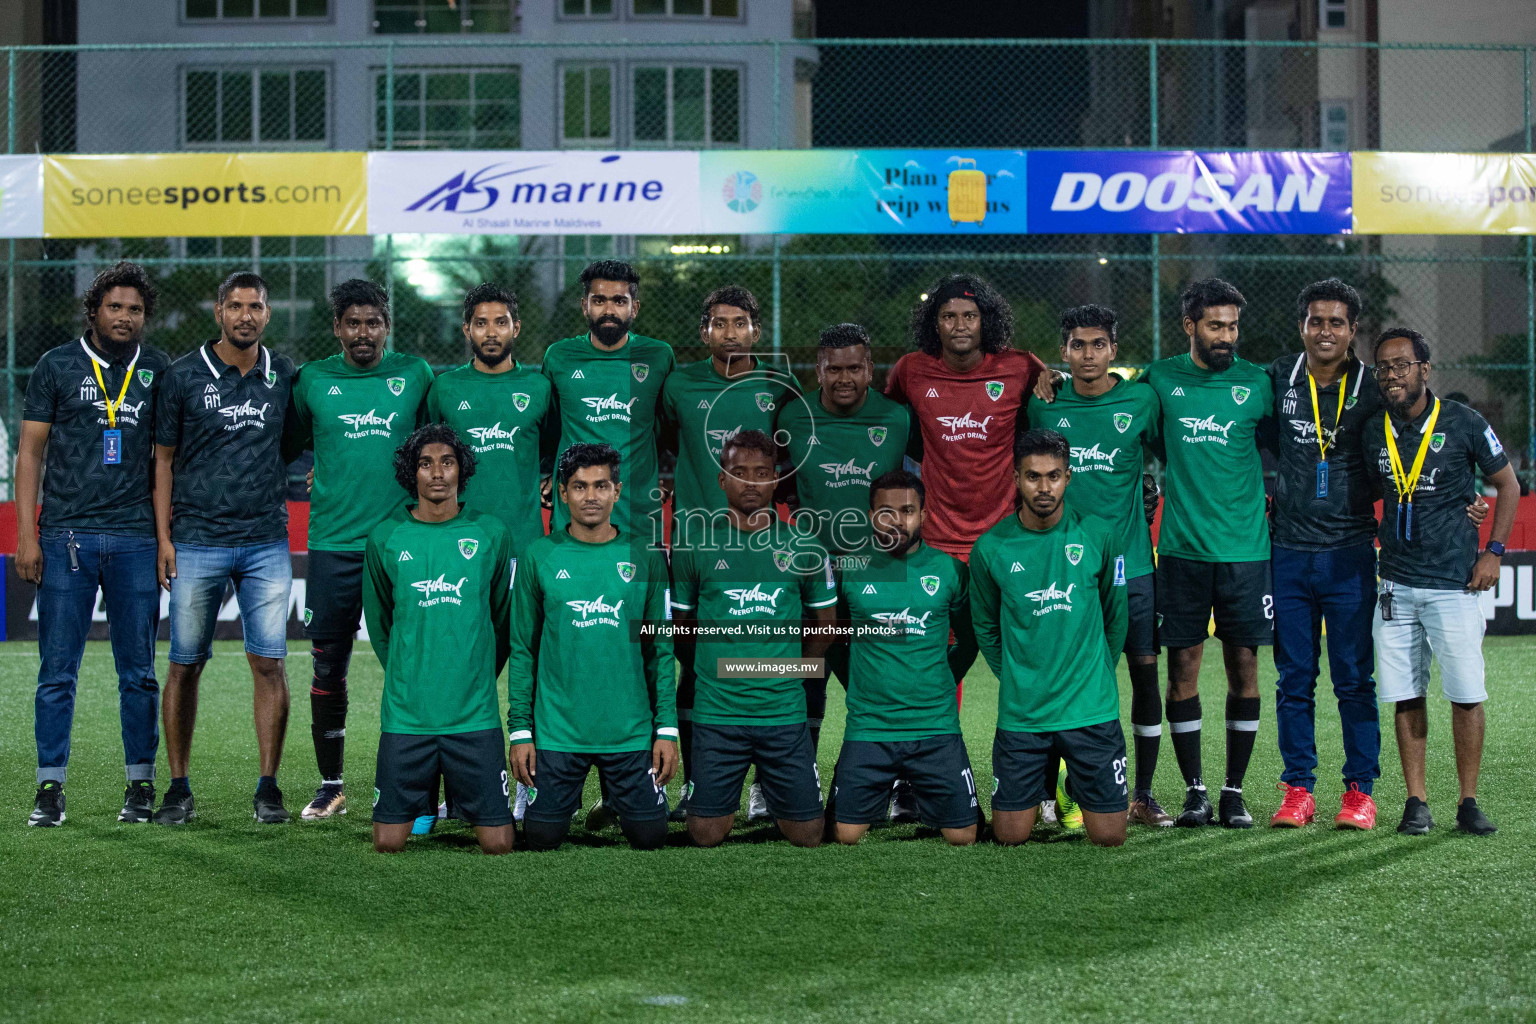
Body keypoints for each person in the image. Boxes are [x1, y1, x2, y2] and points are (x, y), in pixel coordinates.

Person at [18, 262, 170, 827]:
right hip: (65, 538)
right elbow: (29, 452)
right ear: (94, 311)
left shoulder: (159, 370)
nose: (125, 317)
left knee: (139, 672)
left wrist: (163, 540)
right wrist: (27, 535)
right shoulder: (56, 365)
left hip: (134, 538)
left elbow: (166, 461)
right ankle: (50, 788)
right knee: (58, 671)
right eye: (115, 307)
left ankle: (140, 785)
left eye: (134, 309)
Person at [282, 279, 433, 821]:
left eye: (373, 322)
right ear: (337, 328)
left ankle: (417, 783)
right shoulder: (313, 381)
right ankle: (332, 785)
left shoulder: (415, 375)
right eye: (353, 323)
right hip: (333, 546)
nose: (363, 332)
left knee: (415, 667)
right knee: (328, 668)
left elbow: (434, 447)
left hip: (403, 544)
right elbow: (289, 442)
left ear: (385, 326)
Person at [151, 272, 297, 825]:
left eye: (254, 307)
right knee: (185, 665)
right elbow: (162, 461)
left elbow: (293, 447)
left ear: (267, 312)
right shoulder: (183, 375)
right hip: (195, 541)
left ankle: (268, 788)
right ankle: (178, 787)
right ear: (218, 311)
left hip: (265, 542)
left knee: (269, 663)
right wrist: (164, 539)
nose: (245, 316)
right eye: (235, 306)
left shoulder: (284, 375)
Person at [1361, 328, 1518, 837]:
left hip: (1455, 583)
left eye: (1402, 364)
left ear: (1425, 369)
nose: (1392, 375)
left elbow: (1507, 484)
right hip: (1396, 584)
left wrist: (1493, 551)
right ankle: (1416, 801)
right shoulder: (1372, 428)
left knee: (1466, 694)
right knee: (1405, 694)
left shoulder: (1464, 422)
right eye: (1383, 367)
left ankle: (1468, 801)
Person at [1140, 279, 1273, 829]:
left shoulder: (1258, 383)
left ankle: (1233, 791)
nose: (1226, 337)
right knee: (1183, 672)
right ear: (1190, 325)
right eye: (1215, 326)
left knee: (1245, 669)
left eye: (1233, 326)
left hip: (1245, 552)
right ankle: (1195, 791)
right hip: (1182, 551)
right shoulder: (1160, 380)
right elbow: (1136, 436)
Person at [1028, 304, 1168, 826]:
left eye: (1098, 345)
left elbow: (1165, 446)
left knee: (1144, 673)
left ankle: (1144, 794)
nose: (1088, 355)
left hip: (1131, 566)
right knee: (1059, 676)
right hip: (1064, 572)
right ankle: (1049, 793)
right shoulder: (1045, 404)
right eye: (1077, 345)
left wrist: (1149, 491)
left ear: (1113, 349)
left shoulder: (1141, 399)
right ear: (1063, 351)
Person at [659, 286, 796, 821]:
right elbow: (664, 443)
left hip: (764, 545)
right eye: (719, 324)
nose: (730, 332)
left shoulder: (780, 389)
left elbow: (788, 462)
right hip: (695, 544)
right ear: (704, 331)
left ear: (756, 331)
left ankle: (770, 785)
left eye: (740, 323)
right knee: (692, 664)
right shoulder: (678, 385)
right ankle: (701, 784)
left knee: (774, 659)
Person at [670, 430, 839, 848]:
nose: (751, 482)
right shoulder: (695, 544)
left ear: (775, 481)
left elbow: (825, 622)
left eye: (762, 473)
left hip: (782, 711)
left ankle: (779, 792)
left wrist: (791, 671)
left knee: (808, 836)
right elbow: (682, 628)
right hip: (718, 713)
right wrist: (711, 670)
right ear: (722, 480)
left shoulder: (803, 545)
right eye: (739, 472)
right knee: (705, 835)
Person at [776, 322, 917, 819]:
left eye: (854, 368)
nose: (843, 378)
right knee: (802, 679)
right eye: (832, 368)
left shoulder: (899, 418)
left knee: (880, 683)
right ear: (817, 369)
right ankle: (791, 785)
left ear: (870, 367)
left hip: (878, 577)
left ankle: (898, 787)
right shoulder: (792, 417)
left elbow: (938, 471)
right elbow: (767, 486)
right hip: (810, 577)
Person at [507, 443, 677, 851]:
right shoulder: (538, 556)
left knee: (650, 835)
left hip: (629, 732)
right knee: (541, 837)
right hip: (558, 732)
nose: (591, 497)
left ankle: (617, 799)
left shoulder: (646, 557)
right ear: (562, 493)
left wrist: (666, 729)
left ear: (617, 491)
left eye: (601, 486)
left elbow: (660, 650)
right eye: (580, 487)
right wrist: (520, 731)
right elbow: (523, 651)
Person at [970, 429, 1128, 848]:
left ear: (1069, 477)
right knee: (1009, 837)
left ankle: (1068, 778)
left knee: (1110, 837)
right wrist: (1018, 676)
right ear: (1015, 479)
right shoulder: (990, 548)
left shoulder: (1100, 535)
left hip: (1090, 709)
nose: (1044, 487)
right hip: (1024, 714)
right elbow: (985, 626)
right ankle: (1057, 773)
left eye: (1054, 476)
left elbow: (1116, 617)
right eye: (1033, 476)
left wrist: (1094, 673)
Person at [363, 424, 515, 855]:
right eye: (425, 463)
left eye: (446, 462)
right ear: (411, 472)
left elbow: (502, 621)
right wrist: (408, 670)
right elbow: (380, 625)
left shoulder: (491, 533)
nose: (436, 473)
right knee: (388, 843)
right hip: (407, 717)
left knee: (499, 844)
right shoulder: (385, 536)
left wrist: (479, 673)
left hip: (474, 716)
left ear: (460, 470)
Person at [830, 470, 979, 846]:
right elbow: (831, 640)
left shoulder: (949, 570)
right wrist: (857, 683)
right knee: (844, 835)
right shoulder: (849, 569)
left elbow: (971, 637)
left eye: (908, 510)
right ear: (870, 516)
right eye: (885, 512)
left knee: (963, 835)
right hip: (870, 727)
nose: (897, 520)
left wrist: (946, 676)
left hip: (935, 728)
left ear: (924, 515)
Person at [886, 274, 1045, 559]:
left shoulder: (1021, 367)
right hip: (936, 535)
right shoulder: (910, 370)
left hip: (1004, 533)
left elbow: (1059, 394)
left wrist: (1058, 376)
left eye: (970, 316)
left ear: (986, 320)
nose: (960, 326)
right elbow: (885, 417)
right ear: (935, 324)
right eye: (949, 316)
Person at [543, 260, 674, 541]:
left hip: (637, 512)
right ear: (584, 305)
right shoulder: (559, 357)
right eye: (599, 300)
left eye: (619, 301)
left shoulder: (659, 356)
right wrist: (546, 473)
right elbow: (549, 427)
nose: (609, 310)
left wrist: (652, 472)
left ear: (634, 308)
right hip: (574, 515)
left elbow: (666, 426)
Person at [427, 282, 555, 557]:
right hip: (459, 538)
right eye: (481, 323)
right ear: (467, 330)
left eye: (501, 322)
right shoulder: (445, 388)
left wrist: (554, 477)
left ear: (516, 328)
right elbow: (422, 456)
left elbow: (552, 448)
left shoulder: (539, 388)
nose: (492, 332)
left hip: (523, 541)